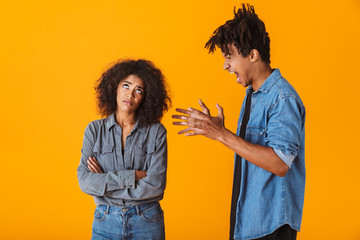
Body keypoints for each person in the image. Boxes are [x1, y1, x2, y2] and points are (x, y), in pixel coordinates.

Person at [172, 4, 305, 240]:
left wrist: (221, 134)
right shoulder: (253, 94)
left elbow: (280, 164)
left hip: (270, 226)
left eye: (229, 57)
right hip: (248, 222)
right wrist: (220, 131)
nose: (225, 65)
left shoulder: (282, 98)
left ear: (252, 55)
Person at [77, 59, 170, 240]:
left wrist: (103, 184)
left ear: (146, 96)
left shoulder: (156, 131)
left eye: (139, 90)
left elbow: (156, 185)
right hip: (105, 220)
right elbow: (85, 181)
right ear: (115, 87)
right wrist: (133, 176)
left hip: (147, 220)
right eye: (126, 86)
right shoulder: (94, 130)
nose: (131, 94)